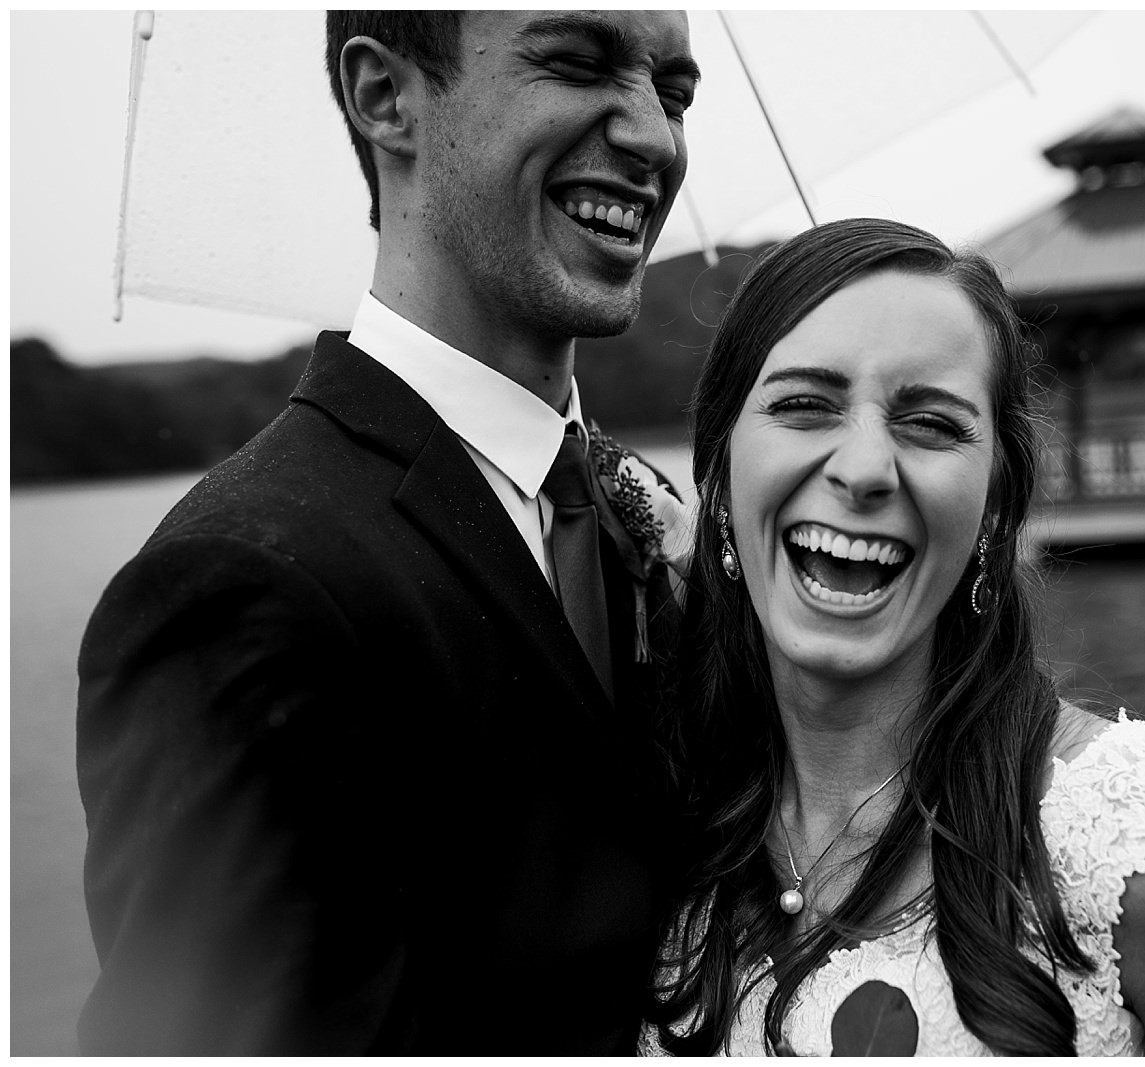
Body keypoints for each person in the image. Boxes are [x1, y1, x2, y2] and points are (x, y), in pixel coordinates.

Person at [76, 11, 699, 1054]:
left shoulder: (641, 508)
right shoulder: (241, 582)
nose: (655, 137)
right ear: (384, 96)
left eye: (674, 91)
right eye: (578, 63)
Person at [641, 218, 1145, 1056]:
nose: (864, 469)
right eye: (804, 405)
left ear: (995, 507)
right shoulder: (653, 826)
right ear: (718, 473)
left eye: (932, 424)